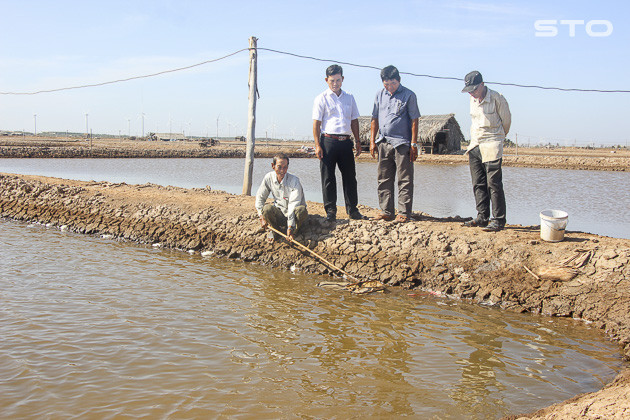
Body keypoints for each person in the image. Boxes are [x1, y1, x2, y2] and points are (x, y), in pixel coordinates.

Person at [312, 64, 365, 222]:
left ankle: (353, 210)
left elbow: (354, 120)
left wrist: (358, 141)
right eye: (332, 80)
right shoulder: (321, 98)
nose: (335, 83)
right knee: (328, 177)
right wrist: (317, 145)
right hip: (328, 141)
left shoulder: (349, 97)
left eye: (338, 80)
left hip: (345, 142)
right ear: (326, 80)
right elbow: (316, 124)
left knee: (350, 177)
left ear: (343, 79)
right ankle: (331, 211)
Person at [461, 70, 511, 232]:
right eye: (470, 90)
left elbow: (506, 122)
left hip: (492, 144)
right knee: (478, 183)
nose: (473, 93)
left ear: (482, 84)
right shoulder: (472, 99)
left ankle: (498, 220)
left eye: (475, 89)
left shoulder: (497, 98)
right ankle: (482, 217)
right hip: (475, 145)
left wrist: (498, 138)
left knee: (494, 183)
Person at [370, 65, 421, 223]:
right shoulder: (379, 95)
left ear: (399, 80)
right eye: (386, 84)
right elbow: (374, 119)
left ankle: (404, 213)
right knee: (383, 178)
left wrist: (413, 144)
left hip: (402, 143)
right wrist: (372, 141)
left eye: (392, 83)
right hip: (383, 142)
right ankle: (387, 211)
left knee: (404, 179)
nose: (389, 86)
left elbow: (414, 120)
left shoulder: (409, 95)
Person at [255, 154, 308, 242]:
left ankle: (294, 232)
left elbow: (293, 204)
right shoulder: (269, 178)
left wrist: (290, 226)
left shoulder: (294, 181)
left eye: (285, 167)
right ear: (273, 166)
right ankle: (275, 230)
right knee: (267, 209)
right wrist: (261, 216)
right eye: (279, 167)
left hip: (294, 215)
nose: (282, 171)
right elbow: (260, 197)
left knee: (301, 210)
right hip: (280, 214)